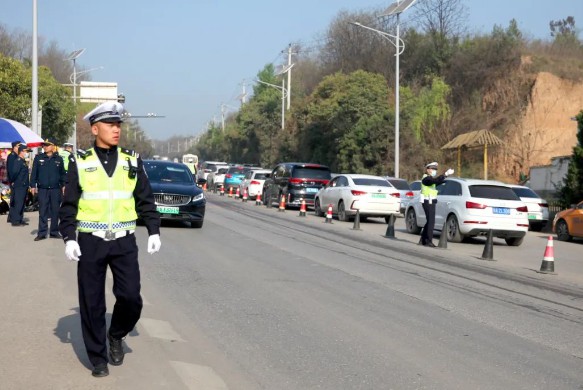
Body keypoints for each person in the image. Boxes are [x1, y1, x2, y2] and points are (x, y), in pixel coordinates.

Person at [59, 101, 161, 378]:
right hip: (91, 241)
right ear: (95, 129)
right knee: (92, 302)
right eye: (110, 125)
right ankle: (98, 358)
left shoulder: (131, 160)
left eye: (118, 125)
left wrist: (153, 229)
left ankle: (116, 333)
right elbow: (68, 205)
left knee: (131, 297)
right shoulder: (80, 162)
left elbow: (145, 199)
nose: (116, 130)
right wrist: (69, 237)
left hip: (124, 242)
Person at [30, 137, 66, 240]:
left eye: (47, 145)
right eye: (44, 145)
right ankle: (42, 233)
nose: (45, 147)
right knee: (43, 211)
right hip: (43, 189)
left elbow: (62, 174)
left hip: (55, 189)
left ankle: (54, 232)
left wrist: (64, 185)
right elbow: (34, 173)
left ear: (53, 146)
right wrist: (33, 185)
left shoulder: (59, 159)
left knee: (55, 211)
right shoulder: (39, 158)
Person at [419, 162, 454, 247]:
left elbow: (435, 183)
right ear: (428, 169)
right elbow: (434, 181)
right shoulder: (426, 179)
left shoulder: (429, 179)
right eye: (433, 169)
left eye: (435, 169)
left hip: (430, 201)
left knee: (429, 221)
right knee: (431, 221)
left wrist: (443, 181)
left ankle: (423, 239)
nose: (434, 171)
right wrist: (445, 174)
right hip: (428, 201)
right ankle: (428, 241)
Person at [8, 144, 31, 226]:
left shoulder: (22, 161)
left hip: (24, 185)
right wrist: (13, 181)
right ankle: (16, 221)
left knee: (22, 203)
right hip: (19, 185)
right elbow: (14, 173)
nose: (27, 153)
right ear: (21, 152)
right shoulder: (18, 161)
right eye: (26, 151)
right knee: (18, 203)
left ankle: (20, 219)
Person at [6, 141, 22, 223]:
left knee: (14, 199)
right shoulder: (12, 156)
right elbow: (11, 170)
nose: (20, 147)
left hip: (16, 181)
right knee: (15, 199)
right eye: (19, 146)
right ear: (14, 147)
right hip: (14, 181)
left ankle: (11, 216)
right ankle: (13, 217)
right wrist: (12, 180)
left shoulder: (16, 156)